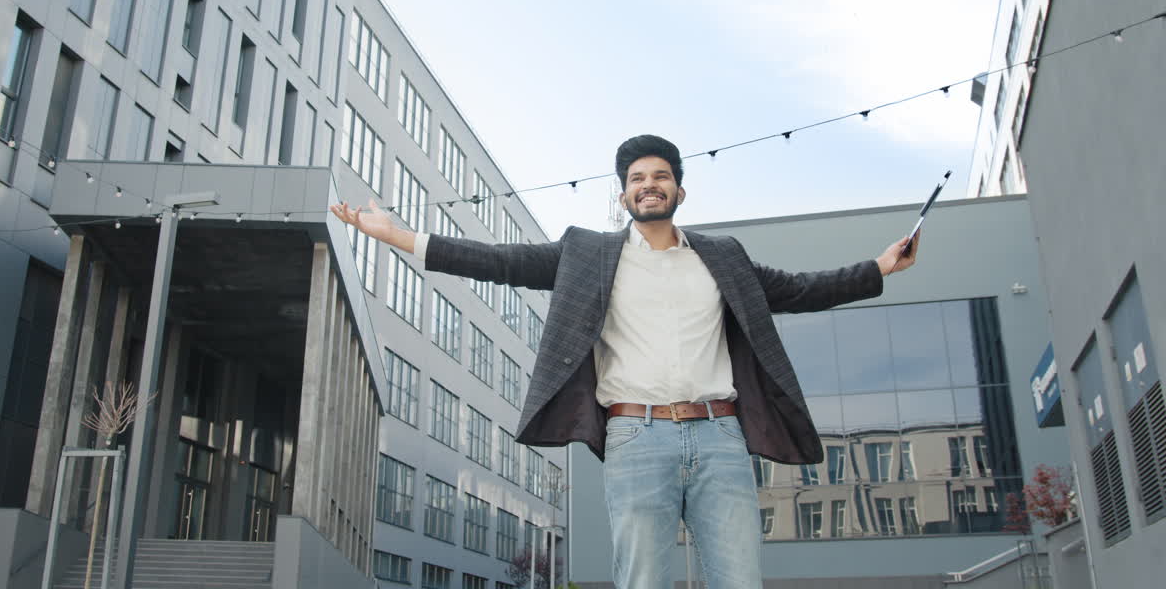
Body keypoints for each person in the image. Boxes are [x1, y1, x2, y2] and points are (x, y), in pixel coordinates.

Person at [330, 135, 919, 589]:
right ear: (624, 195)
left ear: (679, 192)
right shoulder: (588, 254)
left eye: (661, 176)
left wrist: (879, 267)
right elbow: (500, 260)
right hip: (636, 436)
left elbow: (799, 289)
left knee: (739, 580)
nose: (650, 184)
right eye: (638, 178)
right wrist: (399, 237)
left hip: (720, 435)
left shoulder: (723, 257)